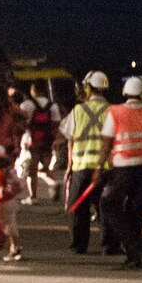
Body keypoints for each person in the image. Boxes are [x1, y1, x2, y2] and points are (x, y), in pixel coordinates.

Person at [99, 75, 142, 268]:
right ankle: (135, 252)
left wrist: (99, 167)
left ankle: (134, 245)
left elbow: (106, 143)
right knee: (135, 210)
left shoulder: (115, 112)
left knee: (109, 204)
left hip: (122, 168)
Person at [59, 72, 112, 255]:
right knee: (105, 207)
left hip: (81, 167)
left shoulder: (78, 111)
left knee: (78, 208)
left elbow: (69, 139)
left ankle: (79, 245)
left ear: (88, 87)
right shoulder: (112, 111)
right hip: (105, 167)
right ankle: (109, 246)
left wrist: (68, 167)